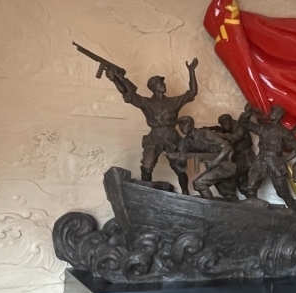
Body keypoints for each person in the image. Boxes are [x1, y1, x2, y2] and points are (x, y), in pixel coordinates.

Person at [105, 58, 199, 189]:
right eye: (161, 83)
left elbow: (192, 93)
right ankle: (146, 191)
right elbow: (128, 94)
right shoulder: (147, 103)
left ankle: (185, 193)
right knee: (147, 165)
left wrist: (192, 71)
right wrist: (115, 79)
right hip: (155, 136)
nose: (164, 85)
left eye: (163, 82)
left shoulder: (174, 101)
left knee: (179, 167)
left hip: (171, 136)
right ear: (154, 87)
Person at [244, 105, 296, 209]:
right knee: (250, 186)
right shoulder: (264, 128)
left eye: (273, 112)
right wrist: (248, 112)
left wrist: (285, 159)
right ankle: (253, 209)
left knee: (283, 192)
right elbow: (246, 124)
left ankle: (295, 209)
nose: (270, 113)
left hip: (275, 162)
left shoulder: (284, 132)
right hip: (261, 159)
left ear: (278, 115)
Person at [175, 116, 236, 200]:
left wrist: (214, 162)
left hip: (226, 164)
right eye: (180, 125)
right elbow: (180, 166)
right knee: (227, 193)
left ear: (192, 124)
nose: (182, 126)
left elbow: (227, 147)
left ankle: (209, 206)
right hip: (213, 168)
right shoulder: (184, 142)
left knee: (199, 184)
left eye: (185, 123)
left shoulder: (206, 134)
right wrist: (181, 161)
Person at [205, 107, 255, 198]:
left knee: (242, 182)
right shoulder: (228, 127)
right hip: (237, 157)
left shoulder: (240, 127)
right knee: (237, 181)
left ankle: (250, 200)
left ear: (229, 121)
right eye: (221, 124)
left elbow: (234, 137)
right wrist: (209, 129)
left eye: (223, 124)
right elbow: (221, 129)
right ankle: (233, 197)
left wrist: (217, 134)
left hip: (246, 157)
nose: (222, 126)